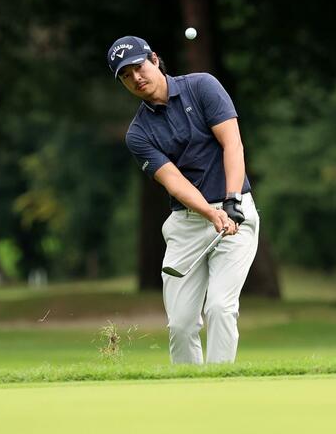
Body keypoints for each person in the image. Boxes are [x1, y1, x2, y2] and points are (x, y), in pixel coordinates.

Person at [107, 35, 259, 364]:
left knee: (220, 306)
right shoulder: (138, 133)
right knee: (181, 323)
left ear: (155, 59)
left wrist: (231, 200)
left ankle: (220, 389)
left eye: (139, 67)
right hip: (188, 222)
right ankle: (189, 394)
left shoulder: (202, 86)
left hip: (236, 213)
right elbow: (174, 182)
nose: (136, 78)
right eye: (126, 75)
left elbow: (232, 143)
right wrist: (208, 211)